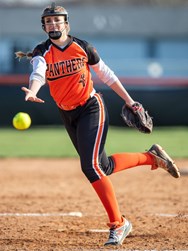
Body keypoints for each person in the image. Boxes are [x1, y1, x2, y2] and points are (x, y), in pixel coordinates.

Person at [15, 2, 180, 246]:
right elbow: (38, 73)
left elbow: (107, 75)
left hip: (91, 107)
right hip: (67, 114)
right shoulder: (42, 52)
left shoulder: (82, 47)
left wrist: (131, 101)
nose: (53, 24)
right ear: (44, 27)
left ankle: (118, 223)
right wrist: (33, 90)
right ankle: (152, 158)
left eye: (57, 20)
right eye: (48, 21)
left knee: (90, 167)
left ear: (66, 24)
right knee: (103, 166)